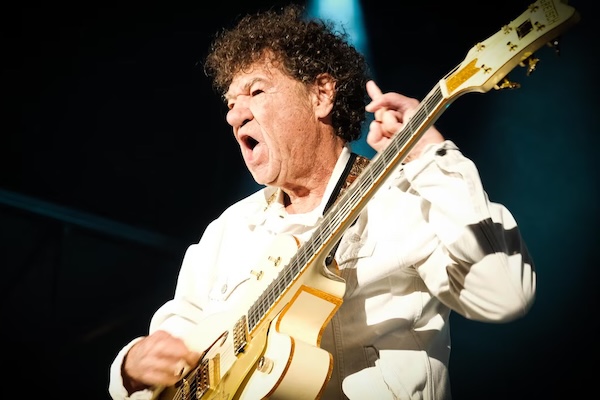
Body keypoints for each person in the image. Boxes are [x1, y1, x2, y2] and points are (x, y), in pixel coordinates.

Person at [108, 4, 536, 400]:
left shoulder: (402, 201)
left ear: (321, 94)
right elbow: (171, 347)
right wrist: (131, 367)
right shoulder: (229, 230)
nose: (234, 115)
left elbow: (505, 294)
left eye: (256, 91)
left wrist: (430, 154)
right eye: (231, 103)